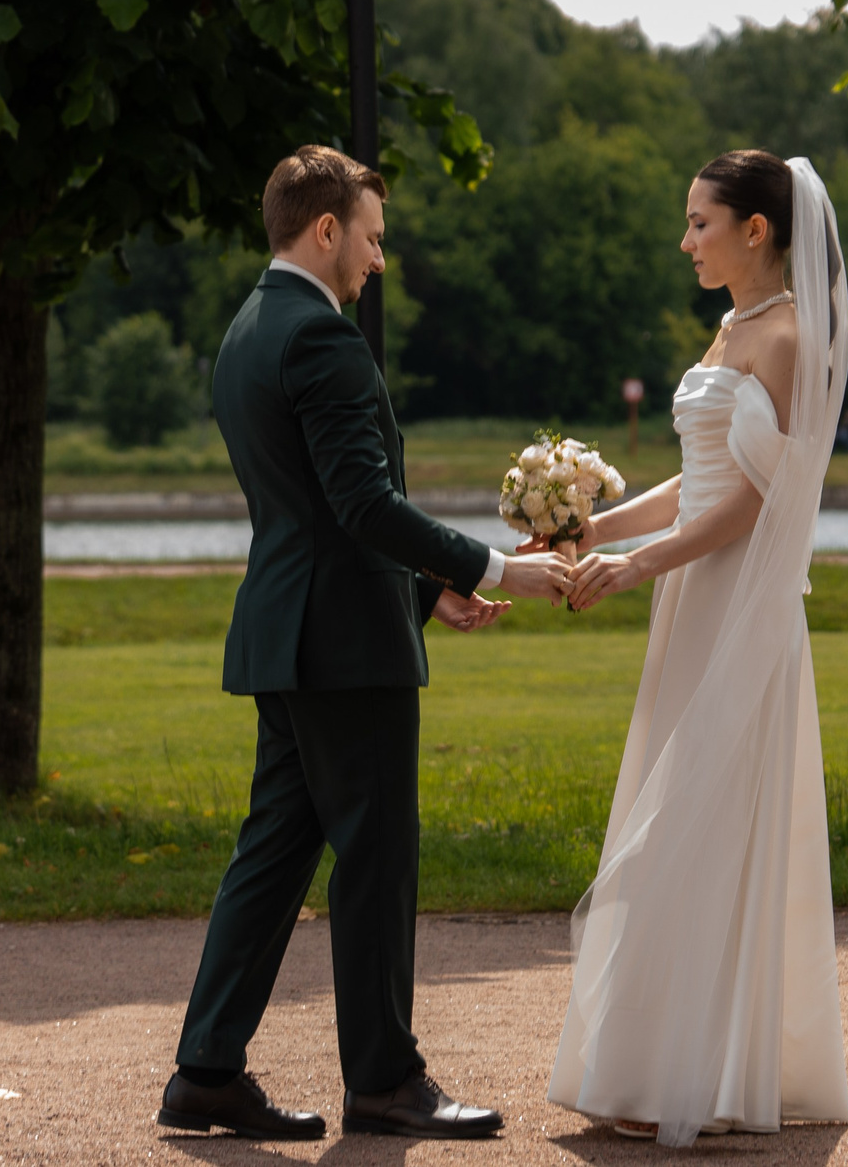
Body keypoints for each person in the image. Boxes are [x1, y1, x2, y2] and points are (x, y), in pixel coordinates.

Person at [160, 146, 574, 1143]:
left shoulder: (250, 331)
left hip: (290, 633)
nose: (379, 260)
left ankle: (207, 1070)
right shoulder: (323, 343)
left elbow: (319, 512)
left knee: (274, 852)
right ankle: (385, 1081)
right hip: (345, 647)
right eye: (373, 238)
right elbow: (362, 506)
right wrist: (496, 569)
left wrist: (429, 591)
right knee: (377, 855)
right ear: (327, 229)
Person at [553, 150, 848, 1145]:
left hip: (738, 601)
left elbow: (754, 503)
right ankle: (652, 1065)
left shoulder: (789, 339)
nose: (685, 242)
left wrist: (639, 565)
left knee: (707, 815)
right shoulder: (729, 328)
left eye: (698, 223)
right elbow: (695, 478)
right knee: (668, 797)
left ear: (753, 230)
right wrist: (591, 529)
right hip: (689, 591)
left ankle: (701, 1072)